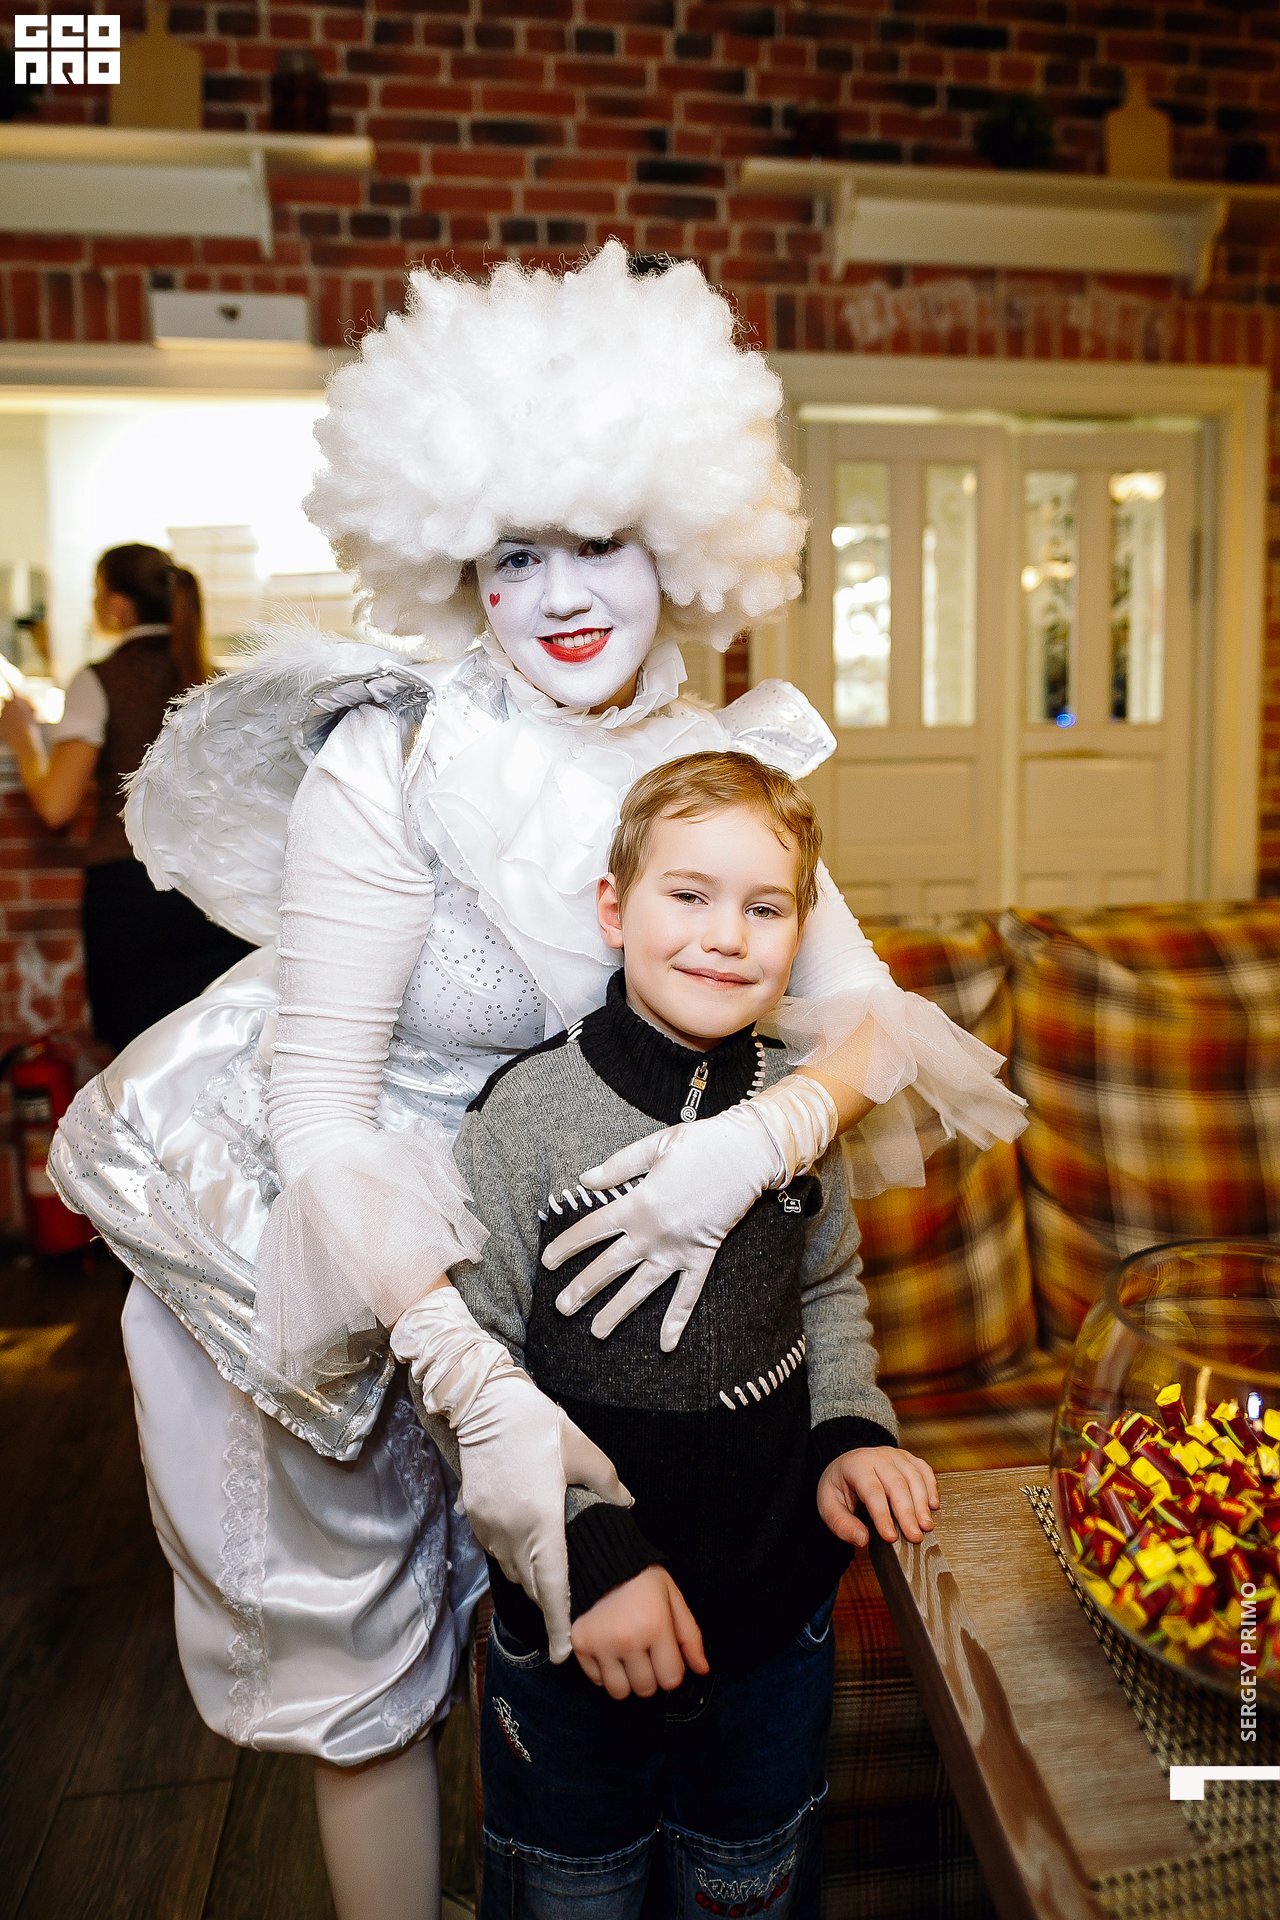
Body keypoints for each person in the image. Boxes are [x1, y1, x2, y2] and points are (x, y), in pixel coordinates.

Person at [47, 244, 1023, 1920]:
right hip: (338, 1227)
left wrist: (763, 1141)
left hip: (574, 1208)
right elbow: (319, 1111)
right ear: (459, 569)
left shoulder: (717, 767)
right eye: (516, 555)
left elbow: (878, 1024)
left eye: (603, 545)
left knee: (555, 1638)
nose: (564, 595)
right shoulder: (398, 752)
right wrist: (468, 1381)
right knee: (375, 1674)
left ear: (683, 549)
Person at [412, 749, 938, 1918]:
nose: (723, 938)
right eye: (687, 895)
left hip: (772, 1628)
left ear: (798, 932)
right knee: (572, 1890)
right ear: (614, 909)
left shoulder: (802, 1105)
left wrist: (850, 1431)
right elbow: (470, 1367)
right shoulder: (525, 1117)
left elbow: (826, 1289)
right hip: (572, 1630)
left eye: (763, 909)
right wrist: (587, 1557)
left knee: (748, 1880)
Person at [0, 544, 251, 1051]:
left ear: (117, 605)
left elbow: (56, 806)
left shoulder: (99, 680)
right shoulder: (220, 683)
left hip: (133, 899)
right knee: (217, 1056)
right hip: (219, 895)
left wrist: (23, 736)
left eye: (96, 592)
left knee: (137, 1060)